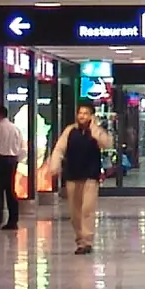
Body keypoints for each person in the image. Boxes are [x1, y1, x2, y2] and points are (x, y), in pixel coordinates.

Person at [50, 103, 110, 255]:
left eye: (86, 113)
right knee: (75, 211)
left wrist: (95, 128)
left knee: (87, 209)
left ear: (91, 116)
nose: (82, 116)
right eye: (80, 113)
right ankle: (80, 240)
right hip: (72, 174)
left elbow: (107, 143)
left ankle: (87, 241)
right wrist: (54, 165)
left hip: (90, 176)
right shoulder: (70, 131)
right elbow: (59, 149)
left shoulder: (96, 131)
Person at [0, 107, 25, 231]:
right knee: (11, 191)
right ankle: (13, 221)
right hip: (12, 161)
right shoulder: (16, 129)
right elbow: (23, 149)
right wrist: (17, 160)